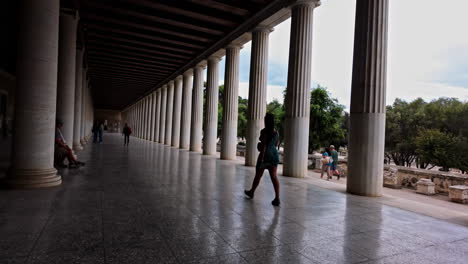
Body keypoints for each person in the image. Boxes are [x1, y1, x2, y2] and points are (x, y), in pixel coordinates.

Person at [244, 113, 281, 206]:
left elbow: (264, 145)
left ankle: (252, 192)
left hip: (266, 156)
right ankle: (277, 198)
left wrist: (262, 158)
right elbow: (276, 144)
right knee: (274, 177)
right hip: (274, 156)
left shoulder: (264, 131)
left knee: (258, 175)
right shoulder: (276, 132)